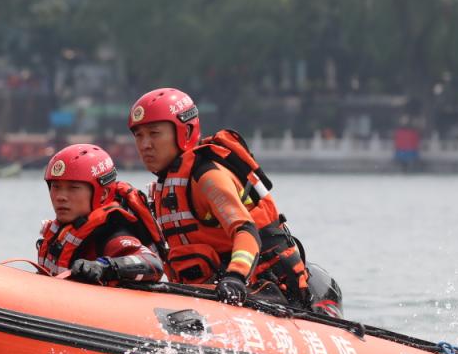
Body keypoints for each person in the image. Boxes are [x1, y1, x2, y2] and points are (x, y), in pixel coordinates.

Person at [128, 87, 342, 315]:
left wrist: (235, 277)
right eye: (139, 136)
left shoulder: (208, 177)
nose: (145, 145)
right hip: (210, 292)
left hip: (267, 290)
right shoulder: (163, 188)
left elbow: (246, 231)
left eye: (154, 133)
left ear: (186, 131)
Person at [36, 144, 164, 285]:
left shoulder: (111, 231)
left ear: (103, 194)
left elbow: (153, 264)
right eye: (56, 187)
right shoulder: (63, 230)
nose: (60, 197)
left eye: (73, 188)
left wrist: (103, 265)